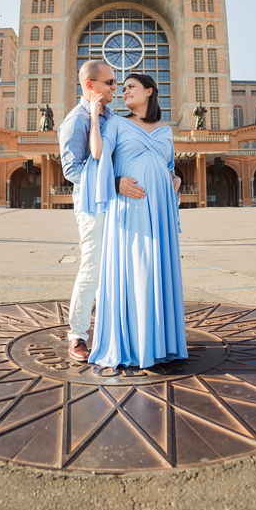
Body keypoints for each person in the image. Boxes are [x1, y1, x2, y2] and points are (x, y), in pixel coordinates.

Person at [82, 72, 186, 369]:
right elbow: (98, 153)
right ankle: (135, 344)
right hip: (130, 207)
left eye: (131, 87)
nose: (125, 91)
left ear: (149, 91)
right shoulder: (116, 123)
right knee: (136, 269)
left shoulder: (165, 130)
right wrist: (94, 116)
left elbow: (167, 165)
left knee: (157, 268)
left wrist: (175, 178)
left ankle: (160, 343)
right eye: (123, 88)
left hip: (161, 209)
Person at [57, 60, 148, 362]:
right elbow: (72, 170)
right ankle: (77, 334)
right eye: (109, 82)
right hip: (93, 206)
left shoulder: (112, 117)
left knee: (117, 268)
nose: (115, 87)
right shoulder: (75, 121)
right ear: (90, 85)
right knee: (92, 268)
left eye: (115, 82)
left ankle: (115, 330)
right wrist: (115, 182)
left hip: (118, 203)